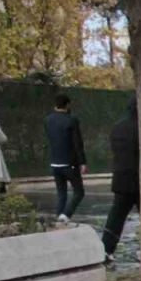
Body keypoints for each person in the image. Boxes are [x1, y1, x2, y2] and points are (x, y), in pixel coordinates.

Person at [102, 94, 139, 263]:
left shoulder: (117, 127)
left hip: (121, 177)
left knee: (116, 217)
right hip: (140, 180)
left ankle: (106, 249)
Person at [44, 92, 88, 224]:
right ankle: (66, 215)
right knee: (79, 192)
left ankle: (59, 217)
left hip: (55, 162)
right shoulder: (71, 120)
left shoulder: (48, 120)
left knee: (61, 192)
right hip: (69, 163)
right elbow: (77, 143)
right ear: (67, 105)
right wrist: (82, 162)